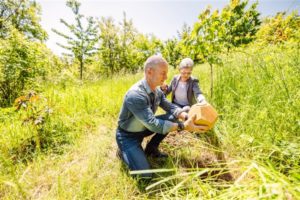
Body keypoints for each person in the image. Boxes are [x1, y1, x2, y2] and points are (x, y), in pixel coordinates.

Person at [116, 55, 209, 179]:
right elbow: (153, 124)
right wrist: (183, 126)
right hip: (128, 135)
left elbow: (170, 106)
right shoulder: (136, 95)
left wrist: (186, 117)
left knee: (172, 117)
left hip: (143, 127)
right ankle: (124, 150)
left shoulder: (157, 90)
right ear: (150, 72)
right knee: (145, 176)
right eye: (163, 73)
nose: (166, 77)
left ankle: (151, 149)